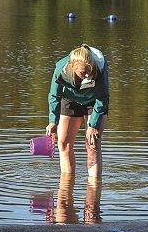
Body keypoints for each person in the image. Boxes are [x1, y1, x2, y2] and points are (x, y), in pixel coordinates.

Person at [45, 44, 109, 178]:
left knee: (93, 144)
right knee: (63, 143)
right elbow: (54, 96)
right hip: (70, 99)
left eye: (89, 71)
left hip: (95, 102)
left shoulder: (99, 68)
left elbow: (102, 99)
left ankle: (93, 191)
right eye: (82, 72)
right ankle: (66, 189)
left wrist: (93, 125)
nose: (87, 75)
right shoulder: (60, 70)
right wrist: (53, 121)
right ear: (72, 67)